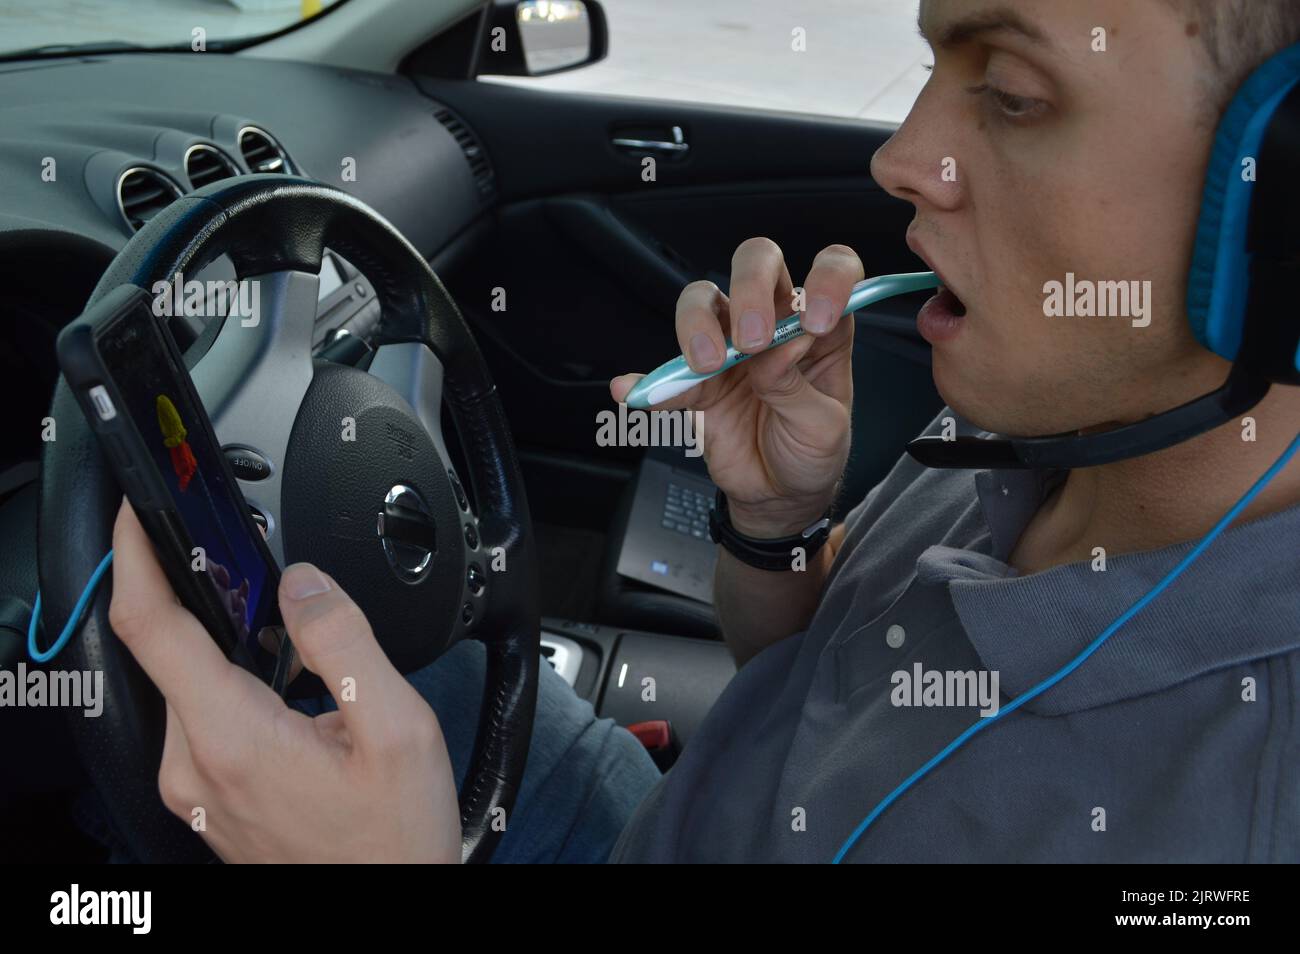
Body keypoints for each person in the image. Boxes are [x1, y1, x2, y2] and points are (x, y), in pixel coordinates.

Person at [103, 0, 1300, 863]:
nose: (899, 158)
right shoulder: (1056, 415)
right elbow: (811, 663)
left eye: (1012, 95)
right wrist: (777, 528)